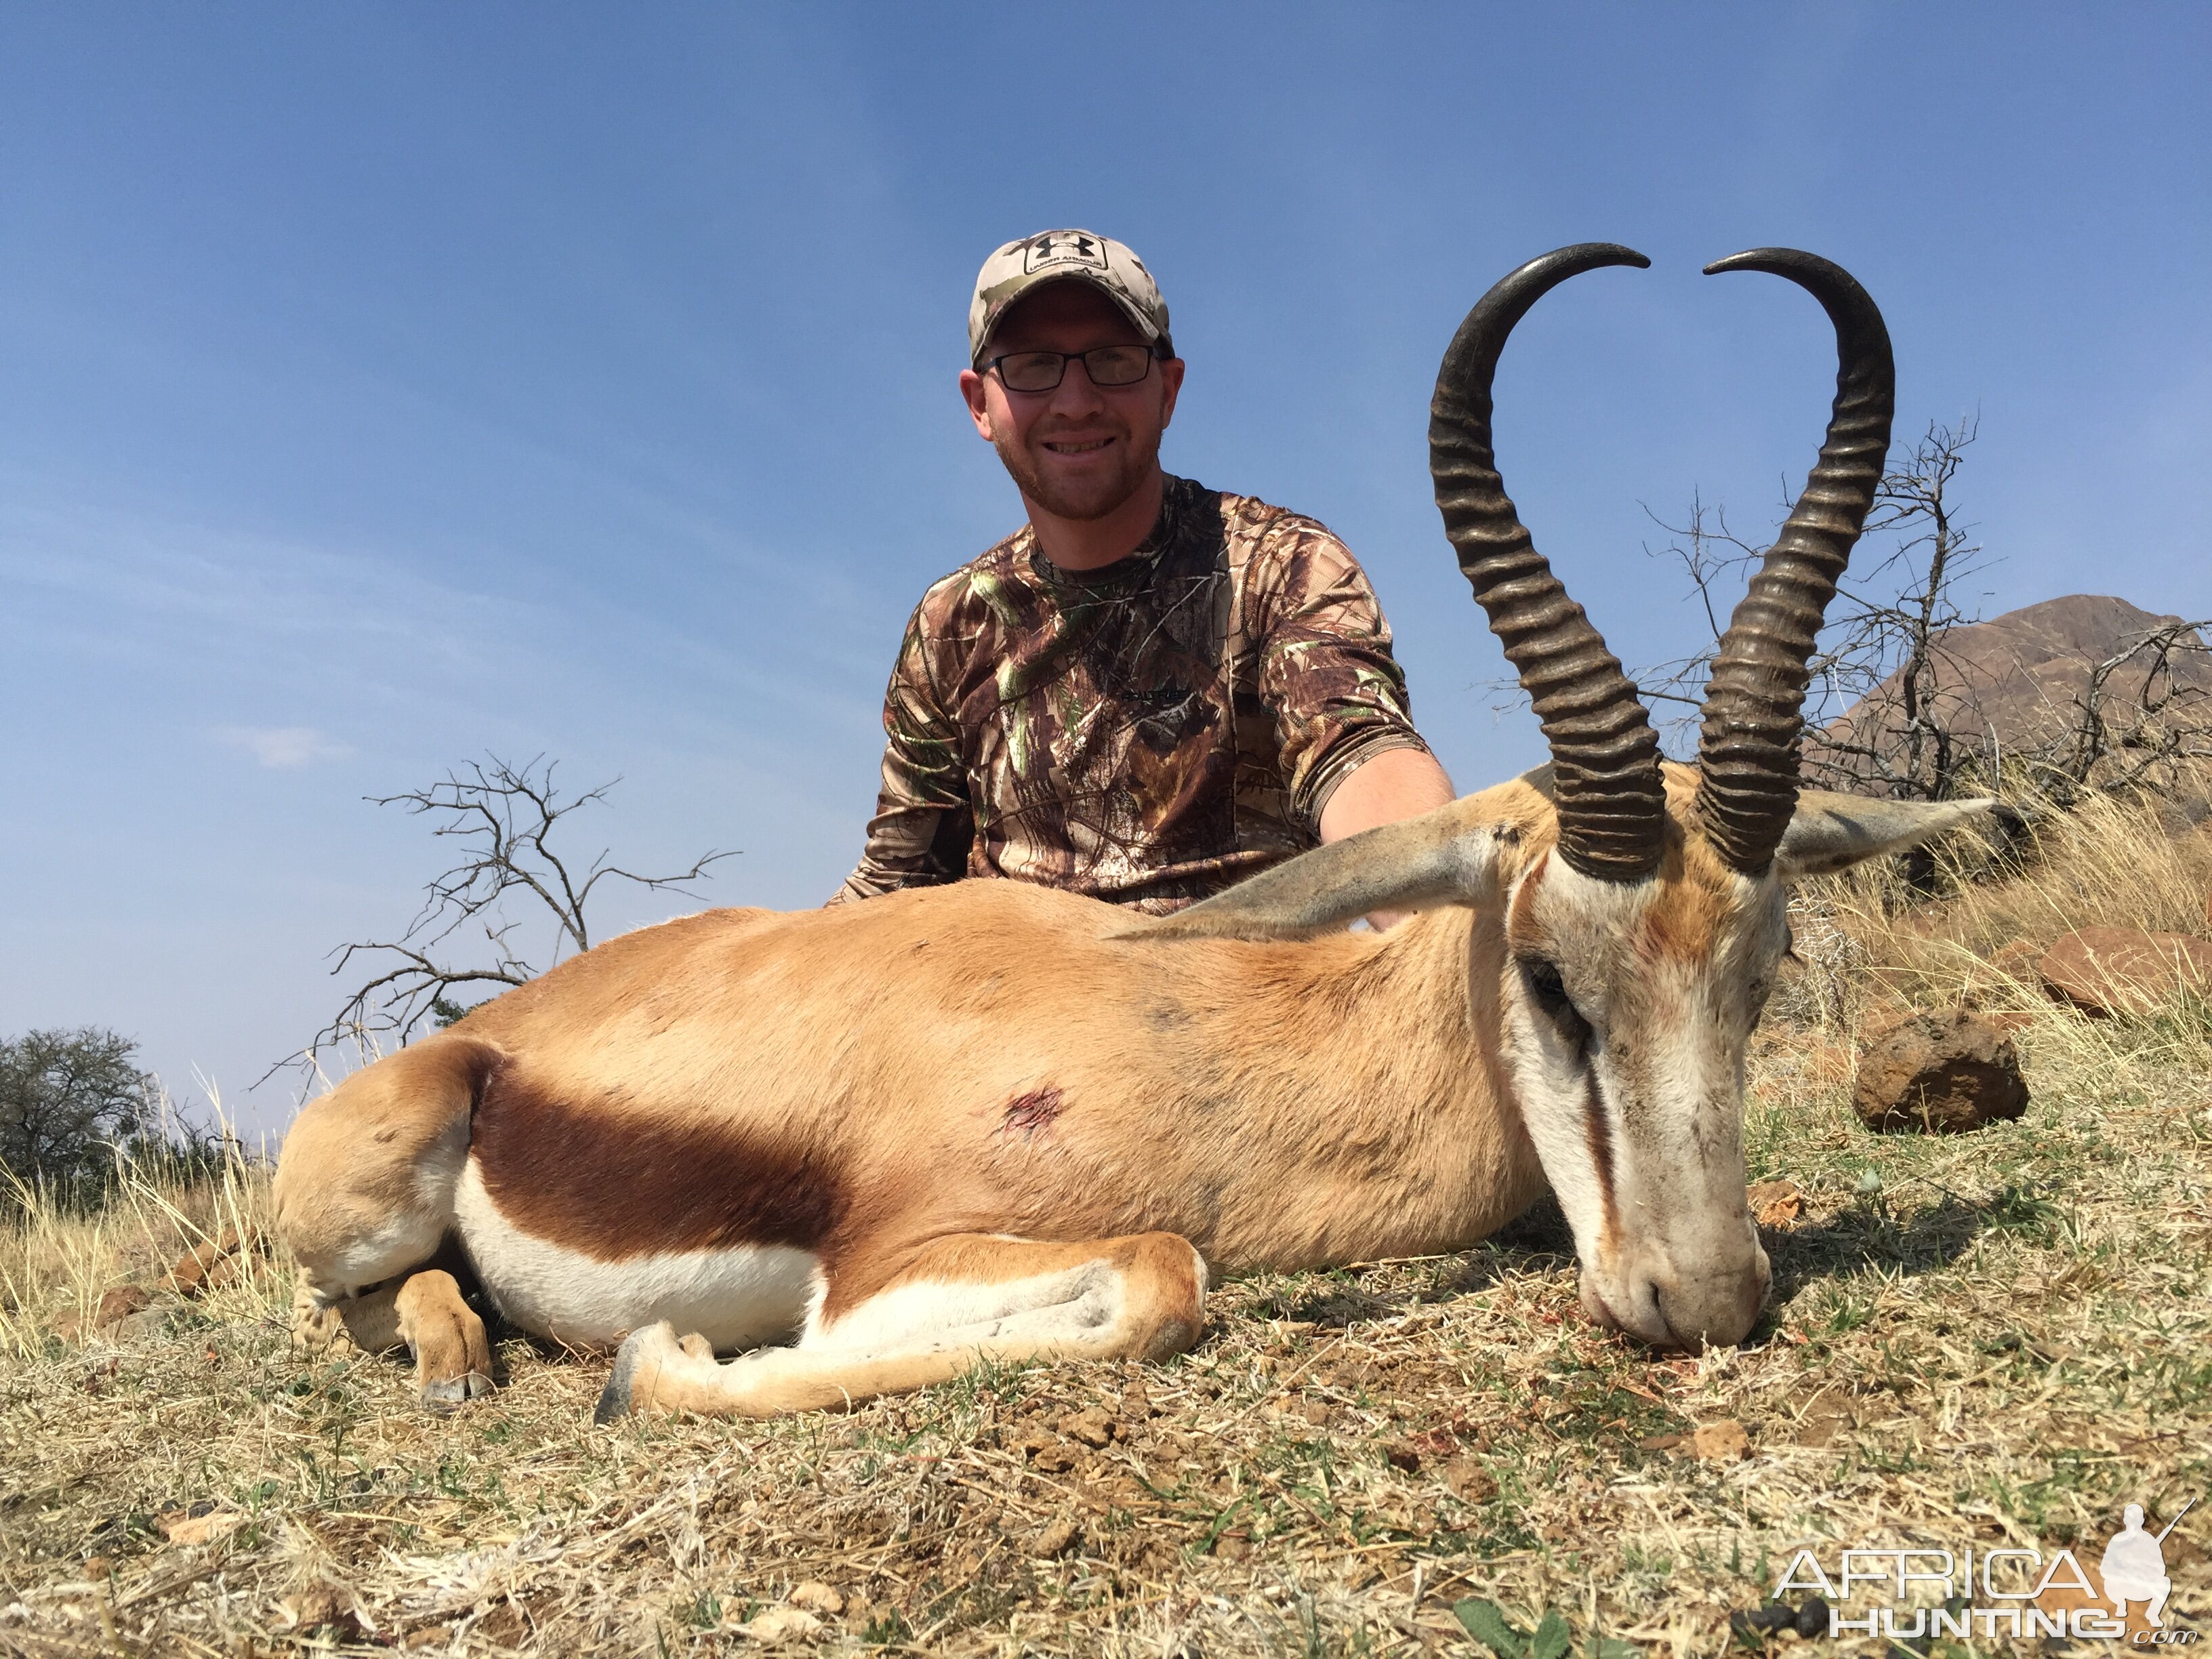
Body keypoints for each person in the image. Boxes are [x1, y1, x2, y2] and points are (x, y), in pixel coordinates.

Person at [834, 228, 1454, 916]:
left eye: (1112, 360)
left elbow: (1360, 752)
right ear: (980, 403)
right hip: (1002, 1010)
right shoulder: (952, 622)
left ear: (1168, 389)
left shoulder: (1282, 562)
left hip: (1245, 1003)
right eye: (1035, 365)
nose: (1075, 401)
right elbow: (894, 880)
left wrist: (1430, 913)